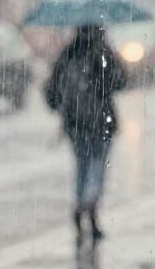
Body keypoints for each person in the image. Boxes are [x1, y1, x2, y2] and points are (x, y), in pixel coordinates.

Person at [45, 23, 125, 242]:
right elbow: (121, 81)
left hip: (75, 122)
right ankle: (90, 206)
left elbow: (51, 91)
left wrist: (66, 106)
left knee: (82, 166)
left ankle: (81, 206)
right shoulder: (103, 52)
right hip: (101, 121)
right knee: (98, 166)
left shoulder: (68, 52)